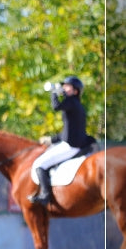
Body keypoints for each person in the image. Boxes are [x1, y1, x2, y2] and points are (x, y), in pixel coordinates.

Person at [29, 76, 90, 206]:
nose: (64, 88)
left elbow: (56, 106)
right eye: (64, 85)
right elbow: (68, 131)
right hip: (72, 143)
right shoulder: (75, 104)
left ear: (75, 91)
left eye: (67, 86)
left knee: (40, 164)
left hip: (70, 146)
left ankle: (45, 195)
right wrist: (51, 139)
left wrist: (54, 93)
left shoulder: (72, 102)